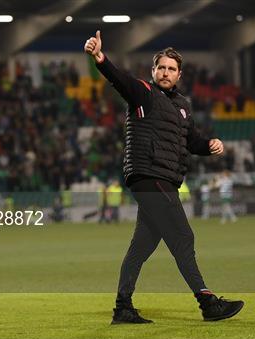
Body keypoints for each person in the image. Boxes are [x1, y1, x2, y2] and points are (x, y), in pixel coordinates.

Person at [84, 31, 243, 324]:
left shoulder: (183, 106)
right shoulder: (143, 92)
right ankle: (207, 303)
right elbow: (118, 78)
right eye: (161, 68)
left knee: (141, 247)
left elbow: (191, 140)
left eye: (171, 68)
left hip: (164, 179)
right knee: (183, 236)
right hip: (148, 175)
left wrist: (210, 145)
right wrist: (99, 58)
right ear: (153, 71)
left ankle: (123, 308)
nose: (166, 72)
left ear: (179, 74)